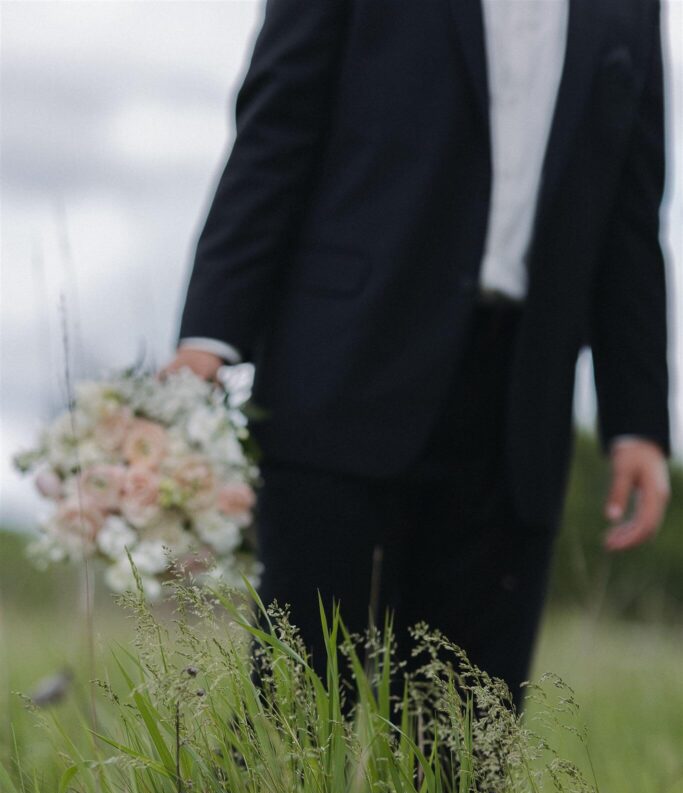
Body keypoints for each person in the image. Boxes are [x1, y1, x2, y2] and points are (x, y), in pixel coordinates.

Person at [162, 0, 671, 715]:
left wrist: (636, 419)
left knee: (465, 739)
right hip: (339, 365)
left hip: (521, 395)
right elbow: (276, 131)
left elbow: (629, 204)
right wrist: (208, 338)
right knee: (297, 707)